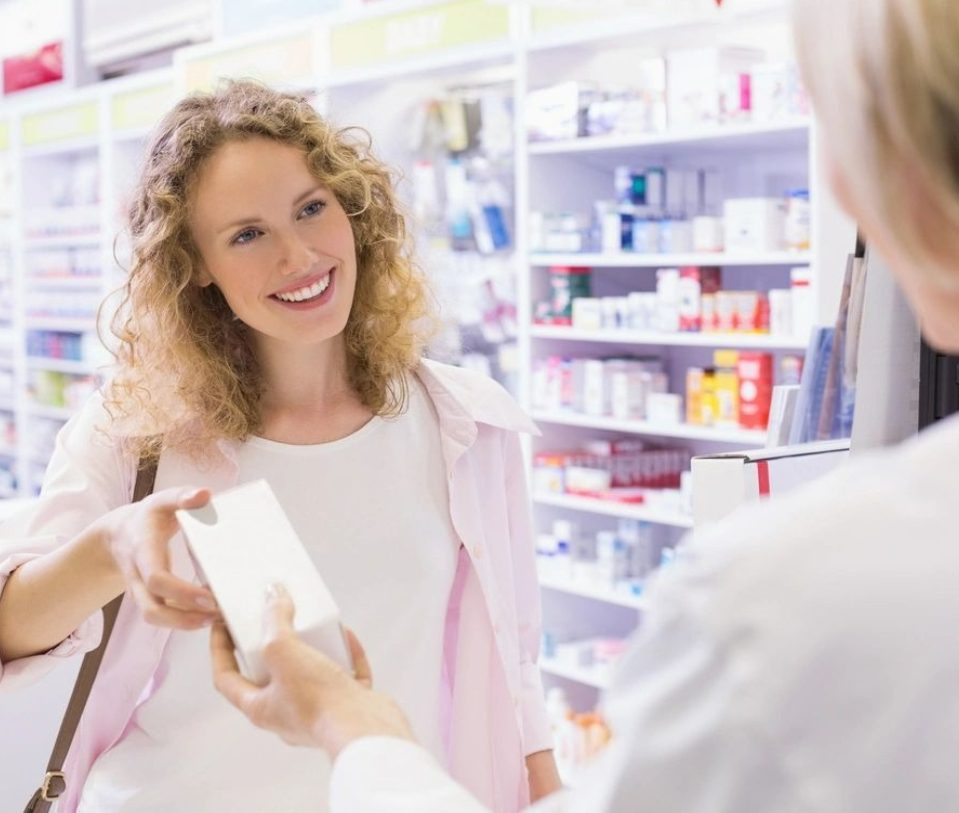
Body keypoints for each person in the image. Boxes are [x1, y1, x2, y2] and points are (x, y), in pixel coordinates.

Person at [209, 1, 959, 810]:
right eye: (244, 234)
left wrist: (348, 724)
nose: (295, 251)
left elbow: (513, 647)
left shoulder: (775, 600)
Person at [0, 80, 559, 812]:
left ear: (351, 209)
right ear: (194, 263)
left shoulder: (464, 427)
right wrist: (113, 549)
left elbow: (516, 676)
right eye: (246, 233)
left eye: (310, 208)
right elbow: (13, 626)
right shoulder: (134, 429)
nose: (298, 255)